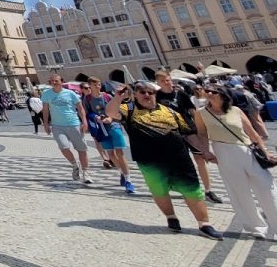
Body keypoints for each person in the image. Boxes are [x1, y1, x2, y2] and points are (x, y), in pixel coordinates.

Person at [108, 82, 223, 239]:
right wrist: (117, 98)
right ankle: (171, 217)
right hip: (150, 161)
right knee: (159, 191)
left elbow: (188, 134)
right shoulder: (129, 110)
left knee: (192, 190)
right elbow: (112, 113)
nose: (147, 95)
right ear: (136, 94)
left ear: (156, 94)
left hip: (178, 158)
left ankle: (204, 224)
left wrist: (204, 152)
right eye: (142, 92)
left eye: (150, 92)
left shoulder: (170, 111)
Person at [195, 85, 277, 240]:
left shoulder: (236, 110)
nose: (210, 94)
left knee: (266, 187)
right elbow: (202, 133)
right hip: (223, 152)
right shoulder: (201, 114)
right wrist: (206, 151)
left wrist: (265, 152)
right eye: (207, 91)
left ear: (223, 95)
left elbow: (252, 133)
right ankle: (256, 227)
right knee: (239, 191)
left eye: (214, 91)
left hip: (246, 150)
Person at [156, 69, 222, 203]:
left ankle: (208, 190)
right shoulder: (157, 97)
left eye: (167, 80)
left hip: (190, 130)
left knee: (200, 160)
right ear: (158, 82)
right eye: (162, 81)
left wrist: (200, 128)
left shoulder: (180, 94)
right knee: (182, 162)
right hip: (172, 133)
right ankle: (189, 188)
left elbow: (193, 111)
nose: (166, 83)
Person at [83, 78, 135, 193]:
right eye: (95, 84)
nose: (98, 86)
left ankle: (128, 180)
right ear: (90, 85)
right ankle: (122, 172)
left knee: (120, 153)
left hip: (114, 125)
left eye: (99, 84)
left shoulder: (107, 96)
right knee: (111, 154)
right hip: (101, 128)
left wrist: (110, 118)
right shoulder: (87, 98)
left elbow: (116, 108)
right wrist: (95, 118)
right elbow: (88, 113)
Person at [41, 74, 93, 184]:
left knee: (81, 149)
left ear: (61, 81)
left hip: (74, 124)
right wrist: (45, 124)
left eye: (56, 81)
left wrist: (84, 121)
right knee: (64, 147)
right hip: (57, 126)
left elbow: (80, 108)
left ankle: (86, 172)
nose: (53, 83)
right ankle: (75, 165)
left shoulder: (70, 93)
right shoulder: (46, 94)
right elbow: (45, 110)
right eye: (51, 81)